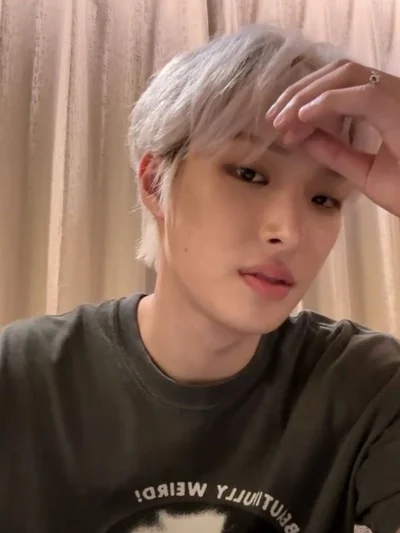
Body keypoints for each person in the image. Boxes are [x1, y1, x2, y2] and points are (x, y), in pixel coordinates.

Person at [0, 23, 399, 533]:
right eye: (249, 173)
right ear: (154, 182)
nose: (288, 232)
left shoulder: (367, 387)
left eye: (324, 199)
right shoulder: (23, 379)